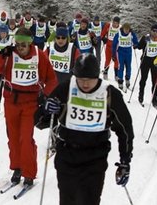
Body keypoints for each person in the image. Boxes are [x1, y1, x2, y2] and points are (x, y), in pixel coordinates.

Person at [35, 53, 134, 205]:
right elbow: (39, 121)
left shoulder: (109, 94)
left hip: (95, 159)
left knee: (90, 201)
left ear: (97, 76)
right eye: (81, 79)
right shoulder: (66, 88)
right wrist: (46, 110)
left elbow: (125, 129)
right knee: (67, 201)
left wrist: (125, 160)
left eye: (90, 80)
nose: (85, 84)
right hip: (67, 155)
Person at [0, 27, 58, 186]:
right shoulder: (9, 55)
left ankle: (29, 173)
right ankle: (17, 168)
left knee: (25, 138)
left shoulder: (39, 55)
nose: (20, 48)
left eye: (23, 45)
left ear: (29, 44)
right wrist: (2, 55)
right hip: (11, 102)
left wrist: (45, 94)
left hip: (30, 104)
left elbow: (52, 79)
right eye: (17, 45)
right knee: (12, 138)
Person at [136, 24, 157, 106]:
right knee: (143, 79)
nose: (155, 33)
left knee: (155, 81)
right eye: (153, 31)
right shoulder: (146, 37)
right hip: (145, 60)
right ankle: (141, 95)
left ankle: (154, 99)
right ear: (151, 30)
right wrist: (143, 42)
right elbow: (139, 46)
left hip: (155, 61)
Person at [112, 23, 139, 91]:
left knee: (128, 66)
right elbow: (114, 44)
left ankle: (127, 79)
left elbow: (136, 41)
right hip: (120, 52)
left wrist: (135, 45)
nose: (126, 31)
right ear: (123, 29)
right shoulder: (118, 34)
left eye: (128, 29)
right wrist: (113, 54)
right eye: (125, 29)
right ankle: (120, 81)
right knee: (120, 67)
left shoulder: (131, 34)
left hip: (128, 52)